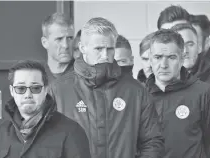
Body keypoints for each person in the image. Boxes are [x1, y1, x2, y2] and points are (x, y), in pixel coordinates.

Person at [51, 17, 164, 158]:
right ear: (82, 48)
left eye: (110, 49)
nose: (105, 55)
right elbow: (47, 145)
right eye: (98, 49)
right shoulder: (58, 90)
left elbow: (152, 142)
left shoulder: (135, 91)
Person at [0, 60, 91, 158]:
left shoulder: (71, 132)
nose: (28, 95)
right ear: (12, 91)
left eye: (35, 88)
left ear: (45, 90)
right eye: (21, 88)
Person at [147, 29, 210, 158]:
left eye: (171, 57)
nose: (164, 65)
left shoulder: (203, 93)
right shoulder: (137, 95)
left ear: (181, 59)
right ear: (150, 59)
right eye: (158, 57)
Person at [41, 12, 75, 81]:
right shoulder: (36, 77)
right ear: (45, 43)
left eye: (70, 38)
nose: (65, 45)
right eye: (59, 39)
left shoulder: (86, 77)